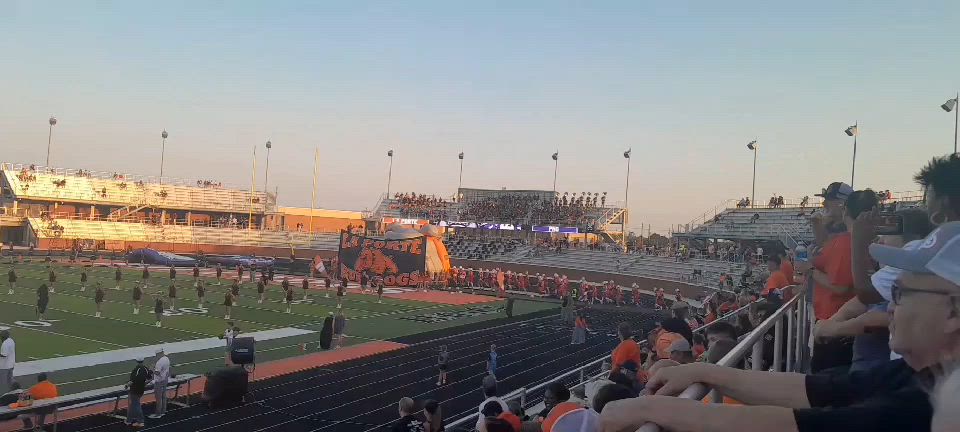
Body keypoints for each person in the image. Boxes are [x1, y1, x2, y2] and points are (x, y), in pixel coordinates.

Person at [598, 222, 960, 432]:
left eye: (900, 292)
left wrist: (647, 410)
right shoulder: (922, 376)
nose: (887, 305)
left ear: (954, 312)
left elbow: (789, 424)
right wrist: (704, 370)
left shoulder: (928, 404)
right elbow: (810, 389)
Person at [795, 181, 856, 373]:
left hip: (835, 320)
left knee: (825, 378)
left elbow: (840, 287)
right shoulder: (838, 233)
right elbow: (824, 245)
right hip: (830, 317)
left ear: (843, 204)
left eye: (829, 201)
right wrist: (817, 224)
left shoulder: (846, 239)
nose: (824, 206)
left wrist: (809, 269)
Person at [124, 356, 150, 428]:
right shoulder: (145, 368)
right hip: (141, 389)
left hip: (135, 390)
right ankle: (129, 420)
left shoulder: (136, 370)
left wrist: (126, 385)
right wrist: (144, 384)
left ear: (136, 361)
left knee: (136, 405)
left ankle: (140, 421)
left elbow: (132, 381)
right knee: (133, 405)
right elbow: (150, 378)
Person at [149, 349, 170, 419]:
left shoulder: (159, 362)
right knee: (163, 397)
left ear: (158, 354)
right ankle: (163, 411)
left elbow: (157, 373)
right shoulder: (166, 358)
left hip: (159, 381)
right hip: (165, 380)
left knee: (158, 398)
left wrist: (152, 369)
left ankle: (158, 414)